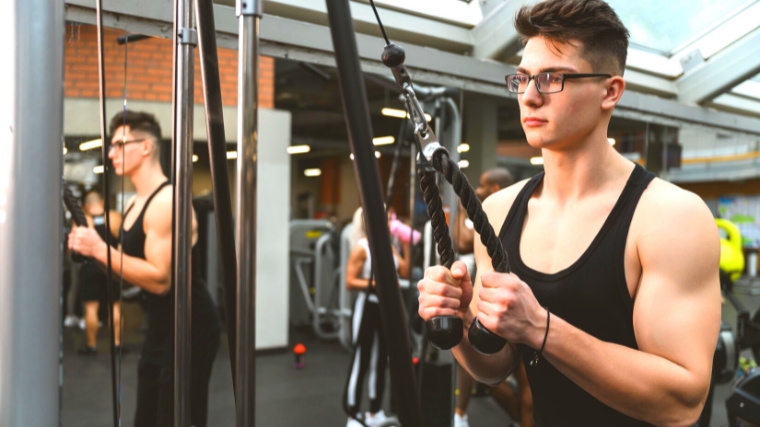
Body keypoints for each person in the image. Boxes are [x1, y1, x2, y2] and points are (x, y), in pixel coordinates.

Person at [417, 1, 721, 426]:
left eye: (551, 78)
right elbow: (497, 364)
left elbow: (681, 402)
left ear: (610, 91)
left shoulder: (670, 218)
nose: (529, 95)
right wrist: (460, 319)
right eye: (522, 79)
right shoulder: (498, 212)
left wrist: (540, 328)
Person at [69, 110, 221, 427]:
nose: (111, 153)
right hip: (161, 324)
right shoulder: (133, 204)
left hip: (191, 326)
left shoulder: (167, 201)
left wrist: (99, 248)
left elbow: (160, 280)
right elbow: (125, 267)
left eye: (119, 144)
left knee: (174, 418)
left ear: (147, 147)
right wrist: (92, 250)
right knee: (146, 417)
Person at [452, 168, 533, 427]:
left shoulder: (507, 214)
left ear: (496, 188)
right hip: (496, 308)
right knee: (485, 374)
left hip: (526, 311)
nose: (478, 190)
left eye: (484, 185)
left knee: (530, 395)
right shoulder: (495, 213)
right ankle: (462, 413)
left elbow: (462, 241)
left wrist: (462, 208)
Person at [344, 207, 410, 427]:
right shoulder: (361, 249)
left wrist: (407, 243)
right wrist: (377, 285)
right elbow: (350, 282)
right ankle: (353, 414)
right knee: (360, 361)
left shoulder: (388, 247)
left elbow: (405, 271)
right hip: (366, 308)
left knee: (380, 361)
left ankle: (374, 412)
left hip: (385, 310)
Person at [77, 190, 123, 355]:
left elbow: (76, 250)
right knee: (115, 306)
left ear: (85, 206)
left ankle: (92, 345)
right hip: (111, 265)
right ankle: (117, 344)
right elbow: (123, 243)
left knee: (91, 308)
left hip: (91, 267)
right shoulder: (115, 217)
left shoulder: (82, 221)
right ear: (102, 202)